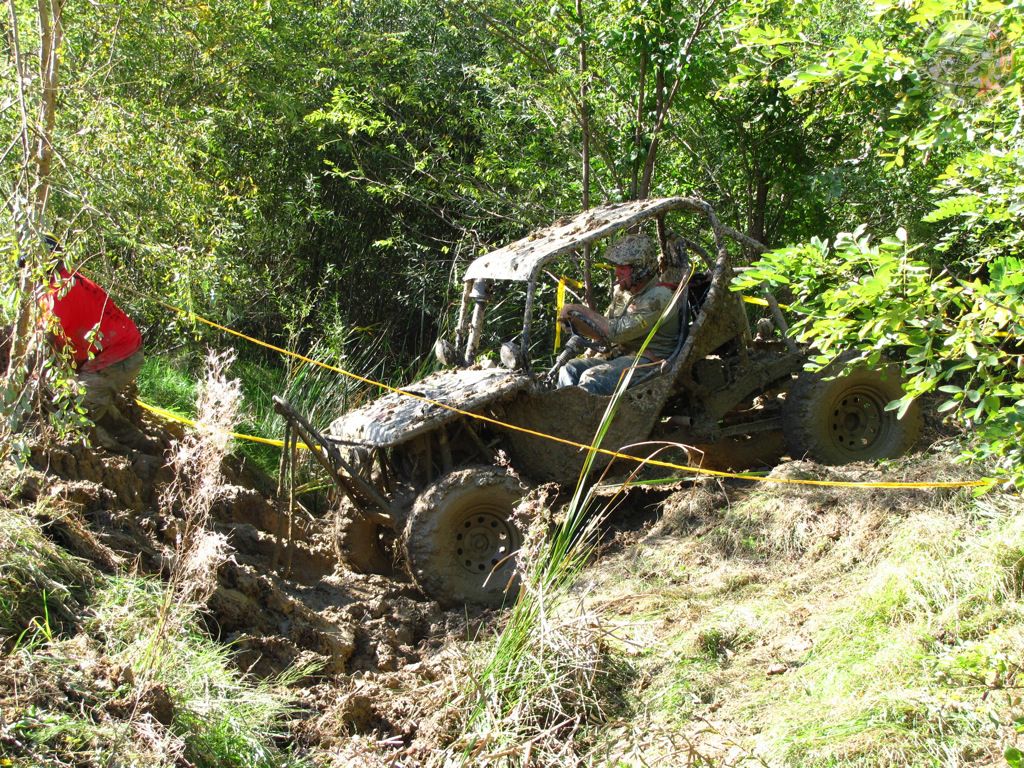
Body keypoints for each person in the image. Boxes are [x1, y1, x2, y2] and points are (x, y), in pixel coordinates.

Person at [37, 235, 151, 451]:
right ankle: (143, 445)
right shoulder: (65, 279)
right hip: (115, 352)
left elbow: (45, 343)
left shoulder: (57, 293)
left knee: (74, 412)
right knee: (90, 402)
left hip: (117, 357)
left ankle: (130, 458)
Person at [557, 233, 682, 395]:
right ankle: (564, 414)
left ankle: (583, 419)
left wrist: (580, 310)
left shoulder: (659, 296)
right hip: (621, 355)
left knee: (593, 379)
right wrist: (575, 323)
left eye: (623, 268)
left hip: (650, 362)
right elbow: (603, 330)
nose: (617, 272)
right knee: (570, 369)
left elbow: (616, 332)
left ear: (640, 268)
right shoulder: (624, 292)